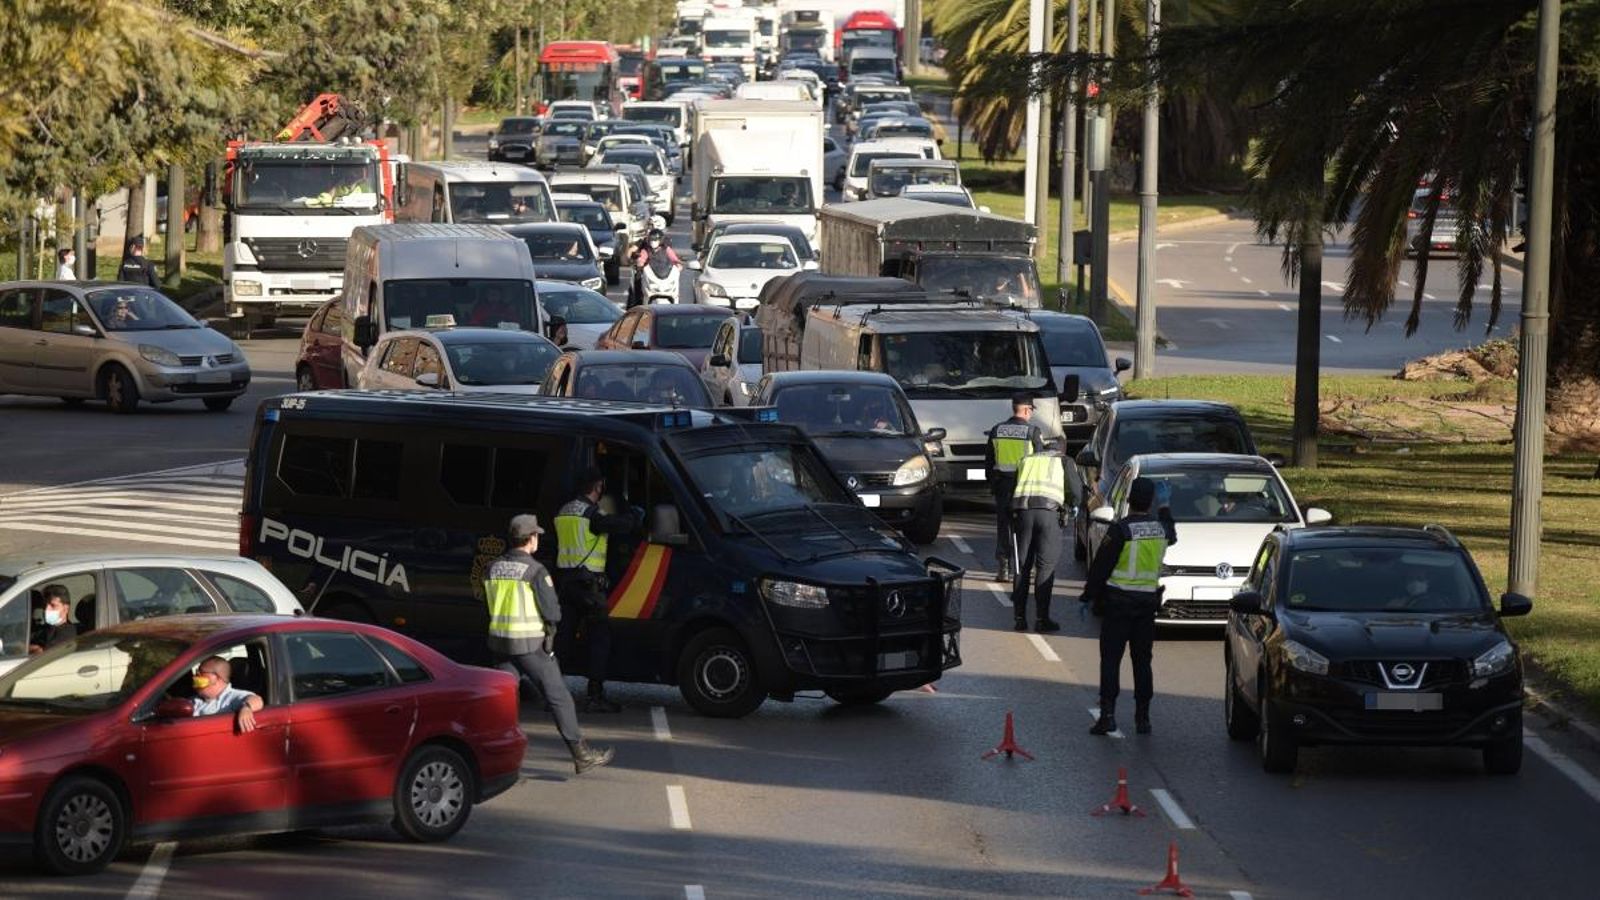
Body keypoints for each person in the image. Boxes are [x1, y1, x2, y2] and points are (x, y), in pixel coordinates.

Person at [482, 514, 614, 773]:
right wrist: (550, 634)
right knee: (559, 698)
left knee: (501, 702)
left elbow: (488, 605)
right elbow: (552, 612)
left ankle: (492, 760)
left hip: (500, 644)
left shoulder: (492, 568)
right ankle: (581, 754)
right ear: (531, 539)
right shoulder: (536, 571)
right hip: (531, 645)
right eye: (537, 536)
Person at [1081, 477, 1178, 736]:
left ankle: (1107, 716)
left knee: (1111, 661)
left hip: (1118, 605)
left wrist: (1087, 596)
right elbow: (1172, 532)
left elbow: (1101, 566)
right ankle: (1143, 718)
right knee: (1142, 662)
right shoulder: (1161, 529)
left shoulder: (1120, 530)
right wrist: (1165, 506)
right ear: (1151, 502)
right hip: (1146, 606)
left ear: (1129, 499)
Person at [554, 468, 641, 713]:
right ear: (598, 487)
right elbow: (624, 525)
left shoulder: (564, 511)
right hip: (589, 587)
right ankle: (595, 695)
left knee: (563, 640)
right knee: (600, 639)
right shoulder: (592, 515)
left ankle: (554, 694)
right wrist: (635, 513)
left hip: (566, 584)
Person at [984, 395, 1045, 583]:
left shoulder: (997, 430)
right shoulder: (1033, 432)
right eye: (1031, 410)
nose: (1031, 414)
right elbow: (1040, 463)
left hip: (1003, 486)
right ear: (1026, 409)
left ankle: (1003, 569)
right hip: (1025, 488)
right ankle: (1027, 568)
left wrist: (993, 483)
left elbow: (988, 463)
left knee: (1004, 526)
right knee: (1026, 528)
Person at [1009, 439, 1068, 633]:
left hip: (1023, 514)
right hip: (1048, 515)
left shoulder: (1026, 460)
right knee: (1045, 567)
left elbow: (1013, 488)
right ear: (1060, 449)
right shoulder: (1063, 460)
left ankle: (1019, 619)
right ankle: (1042, 619)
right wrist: (1071, 506)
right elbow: (1075, 491)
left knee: (1022, 567)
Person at [190, 656, 264, 733]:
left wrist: (246, 708)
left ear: (217, 677)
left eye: (201, 673)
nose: (195, 676)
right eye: (196, 672)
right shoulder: (195, 699)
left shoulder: (231, 696)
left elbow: (256, 699)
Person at [28, 584, 77, 655]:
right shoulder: (46, 628)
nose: (46, 609)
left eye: (53, 605)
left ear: (66, 609)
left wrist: (24, 648)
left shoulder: (67, 632)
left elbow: (43, 654)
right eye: (45, 605)